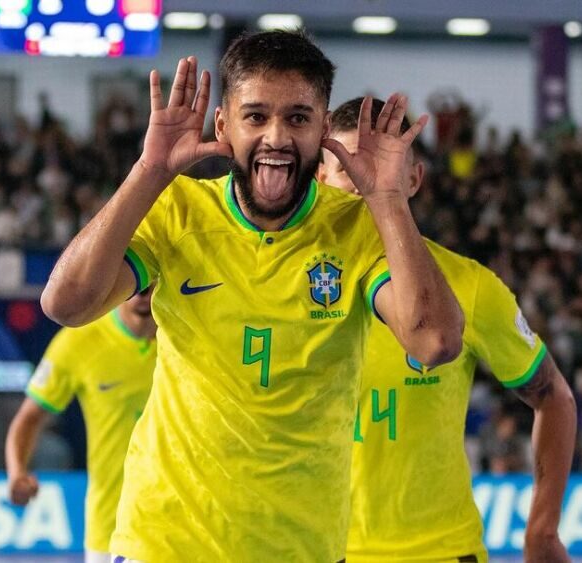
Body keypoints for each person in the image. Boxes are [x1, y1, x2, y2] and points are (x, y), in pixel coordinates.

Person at [41, 30, 464, 562]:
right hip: (165, 540)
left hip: (301, 549)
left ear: (322, 129)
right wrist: (150, 171)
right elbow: (66, 304)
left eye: (298, 117)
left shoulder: (357, 229)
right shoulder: (179, 211)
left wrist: (387, 199)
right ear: (223, 125)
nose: (277, 138)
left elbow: (435, 343)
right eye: (256, 116)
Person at [319, 97, 576, 563]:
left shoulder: (469, 288)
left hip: (440, 552)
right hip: (311, 550)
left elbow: (553, 396)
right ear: (320, 179)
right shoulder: (283, 281)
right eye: (346, 166)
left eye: (382, 165)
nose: (364, 181)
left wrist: (542, 529)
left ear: (413, 180)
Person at [5, 290, 156, 563]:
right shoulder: (79, 341)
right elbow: (29, 416)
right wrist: (17, 471)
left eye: (153, 279)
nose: (144, 291)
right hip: (111, 524)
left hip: (182, 519)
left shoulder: (187, 334)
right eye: (139, 281)